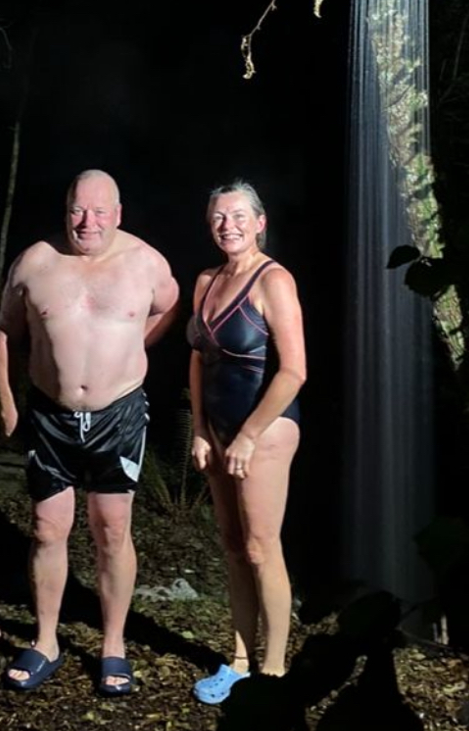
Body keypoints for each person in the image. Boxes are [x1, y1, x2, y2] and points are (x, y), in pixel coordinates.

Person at [0, 169, 179, 696]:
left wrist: (133, 347)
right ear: (65, 208)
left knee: (111, 530)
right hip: (49, 414)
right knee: (48, 528)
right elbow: (7, 332)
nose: (87, 221)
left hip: (117, 415)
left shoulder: (145, 262)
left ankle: (113, 646)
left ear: (118, 214)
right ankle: (46, 640)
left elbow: (169, 305)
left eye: (99, 211)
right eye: (78, 209)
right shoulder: (35, 261)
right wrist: (8, 404)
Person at [186, 181, 305, 704]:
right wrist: (198, 428)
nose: (226, 225)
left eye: (238, 216)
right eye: (217, 217)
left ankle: (275, 674)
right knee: (233, 548)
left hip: (268, 431)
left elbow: (295, 371)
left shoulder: (273, 280)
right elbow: (197, 357)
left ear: (260, 222)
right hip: (217, 430)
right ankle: (237, 660)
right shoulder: (206, 281)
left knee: (261, 547)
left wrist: (250, 436)